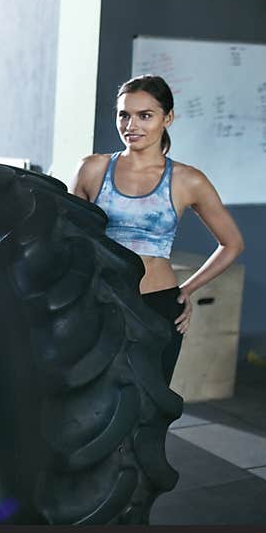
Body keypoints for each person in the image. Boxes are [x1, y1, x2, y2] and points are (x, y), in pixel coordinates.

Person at [70, 74, 244, 384]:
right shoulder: (92, 169)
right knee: (90, 411)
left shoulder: (187, 180)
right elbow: (68, 240)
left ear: (168, 118)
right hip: (97, 304)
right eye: (124, 114)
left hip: (157, 307)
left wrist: (187, 289)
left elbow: (231, 244)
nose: (131, 125)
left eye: (145, 115)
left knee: (148, 413)